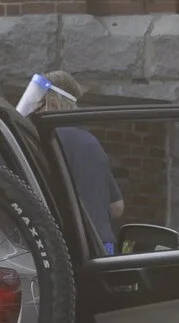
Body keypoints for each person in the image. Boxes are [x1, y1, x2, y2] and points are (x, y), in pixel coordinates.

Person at [20, 72, 123, 253]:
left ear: (52, 102)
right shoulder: (92, 142)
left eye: (38, 105)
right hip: (102, 247)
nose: (35, 112)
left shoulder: (46, 139)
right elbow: (117, 207)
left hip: (64, 251)